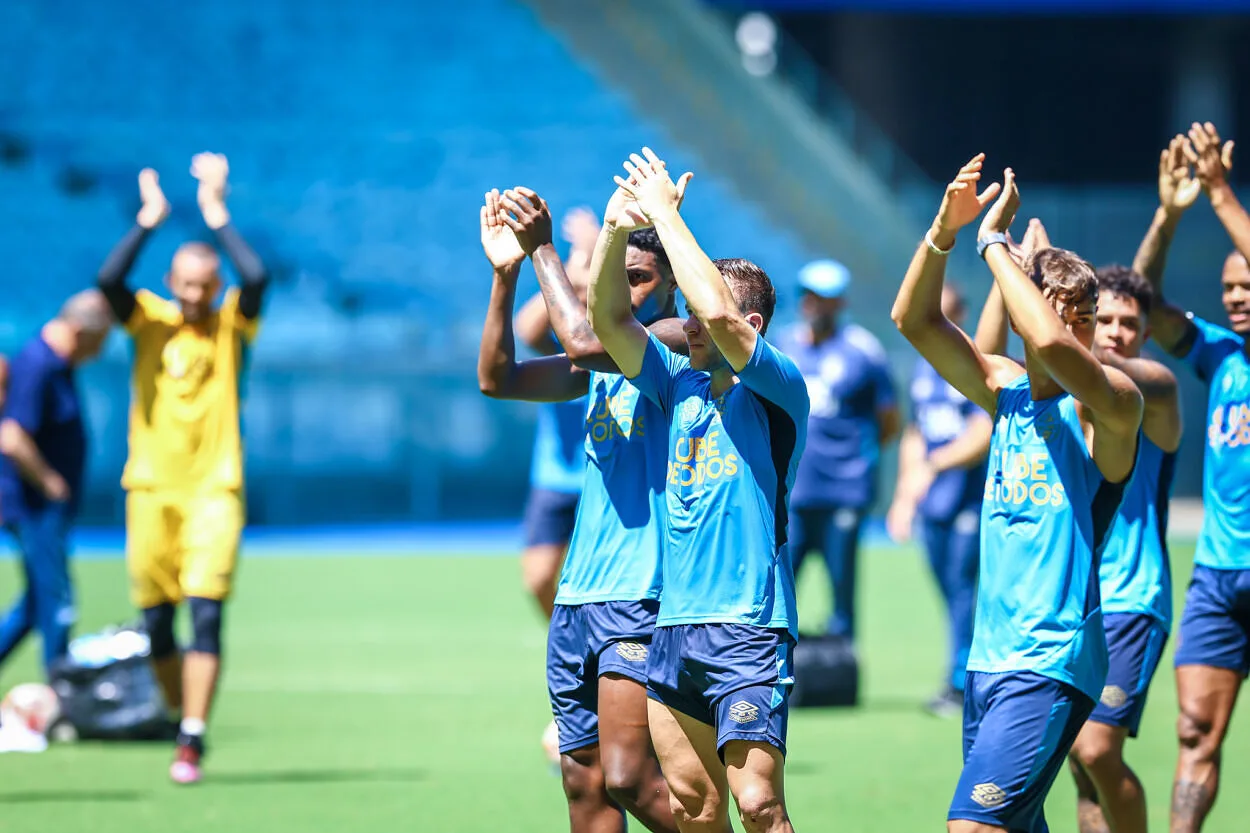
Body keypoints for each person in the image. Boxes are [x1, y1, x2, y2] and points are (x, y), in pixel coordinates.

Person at [891, 156, 1142, 833]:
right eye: (1074, 313)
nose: (1086, 328)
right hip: (989, 658)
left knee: (972, 827)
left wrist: (994, 246)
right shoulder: (1005, 395)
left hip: (1051, 659)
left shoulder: (1112, 404)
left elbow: (1054, 345)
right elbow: (913, 321)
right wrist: (945, 229)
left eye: (1092, 315)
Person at [590, 147, 808, 833]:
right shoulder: (674, 382)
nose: (687, 321)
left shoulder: (778, 387)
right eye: (680, 309)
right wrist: (614, 230)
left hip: (749, 627)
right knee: (694, 807)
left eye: (695, 309)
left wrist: (666, 215)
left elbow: (716, 314)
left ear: (756, 329)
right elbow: (608, 321)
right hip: (675, 630)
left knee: (758, 805)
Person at [478, 185, 685, 833]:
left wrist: (543, 247)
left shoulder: (677, 343)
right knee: (585, 786)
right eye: (617, 280)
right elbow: (498, 377)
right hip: (578, 600)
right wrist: (505, 275)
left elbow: (582, 338)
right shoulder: (594, 368)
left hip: (642, 596)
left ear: (675, 283)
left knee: (629, 777)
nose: (629, 291)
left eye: (641, 278)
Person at [95, 155, 269, 785]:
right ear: (170, 282)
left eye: (206, 285)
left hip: (215, 490)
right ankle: (175, 714)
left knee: (204, 613)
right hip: (149, 491)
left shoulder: (233, 326)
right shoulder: (148, 321)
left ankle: (192, 735)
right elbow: (108, 279)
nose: (196, 296)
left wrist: (217, 212)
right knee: (155, 623)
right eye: (187, 285)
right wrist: (148, 221)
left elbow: (258, 273)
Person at [1131, 123, 1250, 833]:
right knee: (1195, 731)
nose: (1238, 297)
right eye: (1231, 287)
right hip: (1217, 575)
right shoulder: (1221, 355)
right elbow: (1139, 302)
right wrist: (1169, 218)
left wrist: (1218, 191)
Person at [1060, 263, 1180, 833]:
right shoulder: (1060, 395)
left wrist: (1057, 332)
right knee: (1080, 770)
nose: (1112, 332)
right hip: (1073, 600)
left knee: (1096, 750)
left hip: (1133, 598)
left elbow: (1118, 372)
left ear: (1145, 334)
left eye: (1128, 323)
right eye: (1100, 319)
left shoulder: (1154, 393)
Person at [776, 260, 898, 647]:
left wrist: (858, 461)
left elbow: (889, 419)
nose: (816, 305)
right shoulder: (784, 344)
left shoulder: (864, 351)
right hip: (794, 492)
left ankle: (841, 672)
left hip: (844, 491)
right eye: (810, 297)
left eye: (825, 298)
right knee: (780, 583)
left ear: (840, 302)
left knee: (842, 585)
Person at [886, 284, 991, 717]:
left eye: (945, 315)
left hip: (969, 501)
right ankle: (965, 676)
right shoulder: (923, 370)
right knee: (951, 594)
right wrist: (904, 496)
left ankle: (962, 683)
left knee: (965, 592)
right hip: (934, 506)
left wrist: (936, 466)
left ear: (961, 315)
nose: (936, 325)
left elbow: (982, 434)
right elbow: (915, 432)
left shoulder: (975, 364)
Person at [0, 291, 112, 676]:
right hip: (33, 505)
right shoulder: (39, 364)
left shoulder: (59, 366)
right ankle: (60, 687)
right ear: (80, 331)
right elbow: (12, 436)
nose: (101, 350)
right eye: (100, 340)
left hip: (43, 505)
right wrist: (49, 482)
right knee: (55, 596)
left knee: (34, 605)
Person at [510, 209, 599, 621]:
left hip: (606, 477)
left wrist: (594, 255)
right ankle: (570, 638)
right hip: (556, 476)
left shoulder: (615, 344)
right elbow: (526, 329)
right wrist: (563, 267)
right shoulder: (562, 352)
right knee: (539, 578)